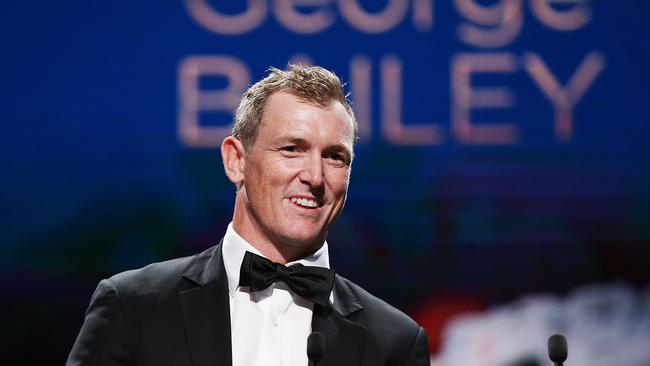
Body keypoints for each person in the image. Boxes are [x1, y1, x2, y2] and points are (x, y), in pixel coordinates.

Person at [67, 64, 430, 366]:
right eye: (292, 149)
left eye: (335, 157)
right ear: (236, 161)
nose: (315, 177)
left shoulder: (395, 342)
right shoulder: (133, 306)